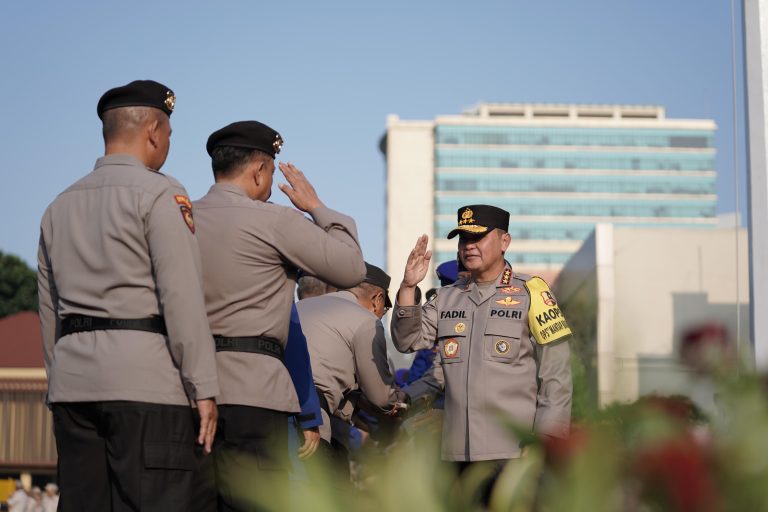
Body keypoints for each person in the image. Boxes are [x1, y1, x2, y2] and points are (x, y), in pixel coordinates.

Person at [37, 80, 220, 512]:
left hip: (73, 389)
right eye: (170, 135)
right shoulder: (160, 193)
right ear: (154, 131)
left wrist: (59, 383)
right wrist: (204, 386)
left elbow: (50, 312)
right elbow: (181, 297)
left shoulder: (57, 206)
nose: (168, 145)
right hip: (146, 386)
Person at [193, 120, 366, 511]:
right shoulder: (273, 220)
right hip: (254, 392)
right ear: (258, 170)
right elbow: (351, 267)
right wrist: (317, 208)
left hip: (187, 388)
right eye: (271, 172)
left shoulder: (181, 217)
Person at [391, 204, 572, 489]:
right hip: (456, 454)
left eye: (477, 238)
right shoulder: (446, 298)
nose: (469, 246)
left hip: (515, 453)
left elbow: (556, 374)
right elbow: (407, 340)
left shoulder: (532, 292)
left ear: (504, 242)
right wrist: (407, 287)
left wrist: (546, 442)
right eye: (463, 239)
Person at [297, 262, 408, 479]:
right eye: (384, 310)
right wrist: (402, 401)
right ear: (377, 299)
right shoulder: (365, 321)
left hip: (269, 410)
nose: (381, 316)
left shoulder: (301, 306)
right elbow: (380, 397)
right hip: (313, 423)